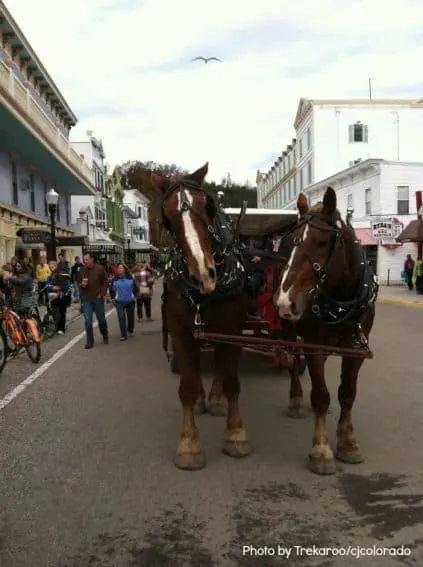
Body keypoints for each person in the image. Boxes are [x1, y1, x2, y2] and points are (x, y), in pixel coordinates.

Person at [79, 254, 109, 349]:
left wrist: (102, 293)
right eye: (84, 260)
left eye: (87, 259)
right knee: (88, 321)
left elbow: (105, 282)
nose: (85, 261)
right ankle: (90, 341)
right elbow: (78, 282)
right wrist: (81, 284)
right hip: (87, 298)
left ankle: (104, 334)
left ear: (92, 259)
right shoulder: (82, 270)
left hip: (97, 298)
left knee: (101, 320)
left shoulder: (100, 269)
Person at [109, 263, 137, 341]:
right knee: (121, 318)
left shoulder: (130, 278)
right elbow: (112, 290)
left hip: (130, 301)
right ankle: (123, 335)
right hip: (119, 302)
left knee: (130, 318)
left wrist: (134, 296)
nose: (120, 269)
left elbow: (135, 288)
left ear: (125, 269)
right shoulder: (115, 279)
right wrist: (113, 298)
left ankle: (130, 329)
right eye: (119, 268)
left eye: (121, 268)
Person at [45, 260, 72, 335]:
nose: (51, 268)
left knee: (62, 312)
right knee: (54, 311)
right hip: (53, 297)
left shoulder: (63, 275)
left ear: (56, 266)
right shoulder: (49, 277)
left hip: (62, 296)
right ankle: (58, 327)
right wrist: (52, 287)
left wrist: (60, 288)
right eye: (50, 267)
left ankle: (61, 328)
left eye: (52, 267)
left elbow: (67, 286)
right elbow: (47, 286)